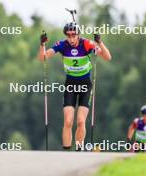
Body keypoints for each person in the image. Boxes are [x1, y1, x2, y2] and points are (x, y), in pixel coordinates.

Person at [38, 22, 111, 151]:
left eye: (73, 35)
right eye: (68, 36)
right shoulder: (62, 45)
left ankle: (78, 150)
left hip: (85, 85)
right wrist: (42, 45)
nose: (71, 39)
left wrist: (100, 43)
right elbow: (42, 58)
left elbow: (107, 57)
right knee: (68, 121)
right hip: (70, 85)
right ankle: (67, 152)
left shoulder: (86, 44)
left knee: (81, 121)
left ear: (78, 35)